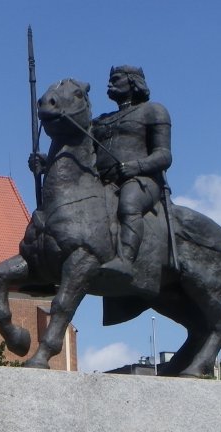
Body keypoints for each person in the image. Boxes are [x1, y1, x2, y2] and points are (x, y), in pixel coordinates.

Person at [91, 65, 172, 289]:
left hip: (141, 181)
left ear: (133, 82)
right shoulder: (101, 120)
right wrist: (46, 162)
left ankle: (125, 260)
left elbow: (164, 155)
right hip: (104, 183)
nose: (109, 84)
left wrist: (136, 166)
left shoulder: (153, 111)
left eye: (115, 79)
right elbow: (84, 153)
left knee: (129, 204)